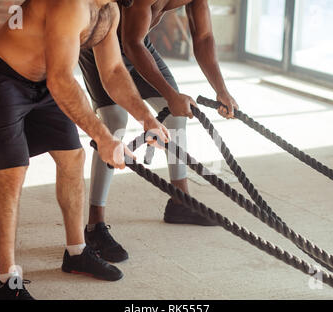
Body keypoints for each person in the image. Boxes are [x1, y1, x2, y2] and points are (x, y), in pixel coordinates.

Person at [0, 0, 169, 300]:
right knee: (13, 173)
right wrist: (103, 137)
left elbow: (113, 71)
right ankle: (6, 282)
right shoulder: (71, 5)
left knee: (73, 158)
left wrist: (147, 117)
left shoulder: (108, 11)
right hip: (1, 77)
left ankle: (76, 254)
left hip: (45, 80)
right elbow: (62, 80)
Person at [79, 0, 239, 264]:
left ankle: (180, 201)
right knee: (114, 121)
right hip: (102, 41)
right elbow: (131, 42)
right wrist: (170, 94)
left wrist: (221, 89)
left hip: (139, 45)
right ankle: (95, 224)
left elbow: (205, 36)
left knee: (176, 114)